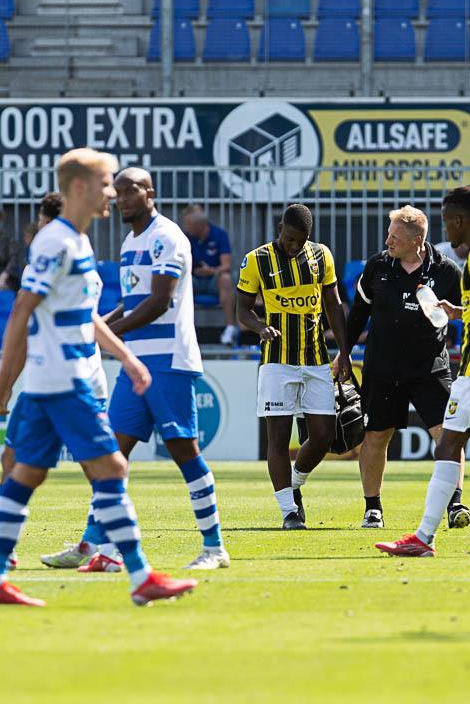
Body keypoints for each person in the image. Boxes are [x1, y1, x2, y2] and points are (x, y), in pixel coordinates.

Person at [0, 147, 196, 607]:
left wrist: (125, 357)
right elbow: (23, 305)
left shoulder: (77, 241)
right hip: (65, 380)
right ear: (80, 187)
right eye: (105, 183)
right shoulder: (56, 241)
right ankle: (140, 577)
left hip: (49, 380)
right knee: (112, 467)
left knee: (26, 474)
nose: (112, 193)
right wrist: (1, 376)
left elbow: (87, 317)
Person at [374, 185, 470, 559]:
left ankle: (424, 537)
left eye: (447, 221)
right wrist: (457, 312)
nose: (446, 230)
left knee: (447, 445)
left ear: (461, 220)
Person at [0, 192, 114, 573]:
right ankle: (5, 551)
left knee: (99, 467)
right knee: (15, 460)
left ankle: (107, 549)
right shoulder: (69, 251)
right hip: (50, 378)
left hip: (73, 378)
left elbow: (25, 315)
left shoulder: (58, 249)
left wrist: (4, 380)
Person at [91, 168, 228, 570]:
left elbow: (158, 303)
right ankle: (102, 548)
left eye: (131, 190)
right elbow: (133, 302)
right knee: (111, 454)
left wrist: (107, 333)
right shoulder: (131, 240)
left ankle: (215, 548)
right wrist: (98, 326)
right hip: (137, 360)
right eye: (117, 192)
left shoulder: (167, 236)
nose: (122, 198)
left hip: (168, 359)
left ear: (150, 192)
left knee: (184, 451)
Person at [336, 206, 465, 529]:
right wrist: (343, 353)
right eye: (388, 234)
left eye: (394, 236)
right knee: (376, 437)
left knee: (447, 436)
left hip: (429, 368)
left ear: (417, 239)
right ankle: (373, 508)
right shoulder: (378, 266)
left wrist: (457, 314)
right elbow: (358, 315)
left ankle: (455, 503)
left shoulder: (447, 272)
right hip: (382, 367)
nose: (387, 241)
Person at [236, 204, 351, 529]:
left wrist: (343, 352)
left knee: (324, 435)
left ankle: (295, 483)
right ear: (280, 229)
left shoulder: (321, 256)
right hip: (277, 361)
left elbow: (333, 304)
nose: (293, 246)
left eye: (299, 241)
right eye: (289, 239)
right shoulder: (257, 259)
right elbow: (241, 310)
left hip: (315, 358)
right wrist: (260, 328)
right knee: (278, 438)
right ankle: (288, 511)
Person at [181, 204, 239, 345]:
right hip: (193, 280)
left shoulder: (219, 234)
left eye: (188, 224)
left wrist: (211, 271)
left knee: (226, 279)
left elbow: (226, 265)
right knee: (176, 281)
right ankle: (180, 330)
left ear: (199, 226)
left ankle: (230, 328)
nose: (185, 227)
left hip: (213, 280)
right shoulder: (185, 237)